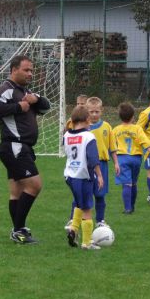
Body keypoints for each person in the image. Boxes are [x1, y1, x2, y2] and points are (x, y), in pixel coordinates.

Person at [0, 55, 51, 244]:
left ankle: (18, 230)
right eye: (26, 70)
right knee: (34, 185)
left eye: (31, 70)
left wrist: (35, 98)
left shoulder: (26, 91)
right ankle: (18, 230)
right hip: (14, 146)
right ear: (14, 70)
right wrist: (18, 107)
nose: (30, 73)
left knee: (16, 191)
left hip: (21, 147)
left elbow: (46, 108)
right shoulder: (6, 90)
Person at [63, 105, 104, 250]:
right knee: (87, 209)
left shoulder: (66, 136)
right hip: (83, 177)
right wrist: (99, 175)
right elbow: (93, 159)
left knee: (79, 204)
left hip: (69, 176)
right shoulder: (89, 136)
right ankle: (87, 243)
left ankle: (73, 230)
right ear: (87, 119)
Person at [110, 102, 150, 215]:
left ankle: (127, 208)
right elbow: (145, 142)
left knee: (127, 183)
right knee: (134, 183)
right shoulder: (137, 129)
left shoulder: (115, 130)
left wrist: (115, 161)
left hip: (122, 158)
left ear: (120, 116)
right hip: (136, 159)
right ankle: (132, 206)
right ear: (132, 117)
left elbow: (112, 147)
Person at [85, 97, 117, 226]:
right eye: (91, 112)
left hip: (102, 164)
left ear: (101, 111)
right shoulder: (84, 127)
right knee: (84, 194)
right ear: (87, 111)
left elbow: (112, 147)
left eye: (96, 112)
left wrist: (116, 163)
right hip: (86, 165)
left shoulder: (107, 126)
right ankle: (76, 220)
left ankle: (100, 220)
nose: (94, 114)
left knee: (100, 194)